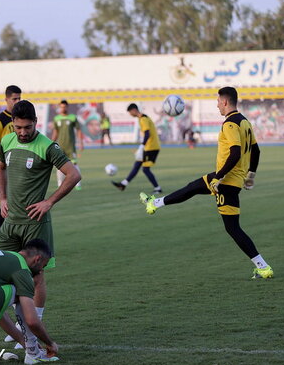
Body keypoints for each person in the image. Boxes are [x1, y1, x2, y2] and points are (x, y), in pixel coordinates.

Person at [139, 87, 273, 279]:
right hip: (228, 178)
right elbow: (256, 151)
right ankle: (155, 203)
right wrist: (250, 175)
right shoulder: (245, 122)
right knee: (192, 187)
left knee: (232, 228)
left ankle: (263, 266)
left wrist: (219, 177)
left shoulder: (230, 124)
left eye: (218, 100)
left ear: (225, 102)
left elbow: (235, 153)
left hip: (226, 181)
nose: (217, 104)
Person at [0, 100, 81, 347]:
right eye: (18, 127)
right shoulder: (7, 141)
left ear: (36, 123)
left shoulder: (46, 145)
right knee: (1, 272)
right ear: (13, 123)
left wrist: (49, 202)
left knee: (36, 276)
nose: (23, 132)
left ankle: (35, 324)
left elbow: (74, 174)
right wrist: (1, 196)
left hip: (36, 223)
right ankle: (20, 322)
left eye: (28, 127)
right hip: (10, 221)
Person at [0, 85, 22, 246]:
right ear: (6, 99)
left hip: (17, 170)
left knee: (14, 208)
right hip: (2, 171)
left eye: (19, 98)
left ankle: (11, 242)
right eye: (14, 99)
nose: (17, 101)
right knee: (3, 208)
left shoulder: (19, 120)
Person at [112, 103, 162, 194]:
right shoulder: (143, 118)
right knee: (137, 164)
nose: (130, 114)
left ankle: (158, 188)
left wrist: (142, 146)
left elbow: (147, 134)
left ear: (134, 110)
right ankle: (123, 184)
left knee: (145, 169)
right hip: (148, 147)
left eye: (130, 112)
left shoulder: (143, 119)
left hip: (151, 148)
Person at [52, 100, 83, 190]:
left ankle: (78, 184)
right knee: (59, 165)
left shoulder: (72, 117)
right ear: (59, 107)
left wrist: (81, 142)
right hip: (60, 146)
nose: (63, 108)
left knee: (74, 163)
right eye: (61, 107)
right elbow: (55, 132)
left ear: (67, 107)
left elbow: (78, 130)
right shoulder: (56, 118)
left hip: (70, 146)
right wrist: (51, 143)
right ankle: (60, 184)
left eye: (64, 107)